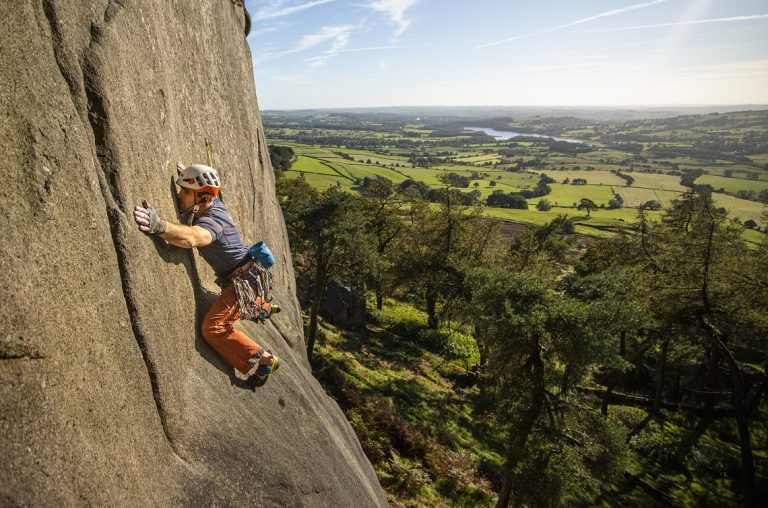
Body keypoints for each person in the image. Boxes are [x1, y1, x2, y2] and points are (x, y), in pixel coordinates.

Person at [133, 162, 278, 387]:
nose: (180, 194)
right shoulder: (213, 203)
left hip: (243, 283)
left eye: (186, 191)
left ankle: (266, 359)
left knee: (213, 328)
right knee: (237, 306)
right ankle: (264, 307)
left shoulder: (213, 223)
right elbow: (214, 192)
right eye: (181, 189)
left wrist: (159, 226)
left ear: (203, 198)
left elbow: (191, 238)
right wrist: (190, 176)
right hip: (247, 275)